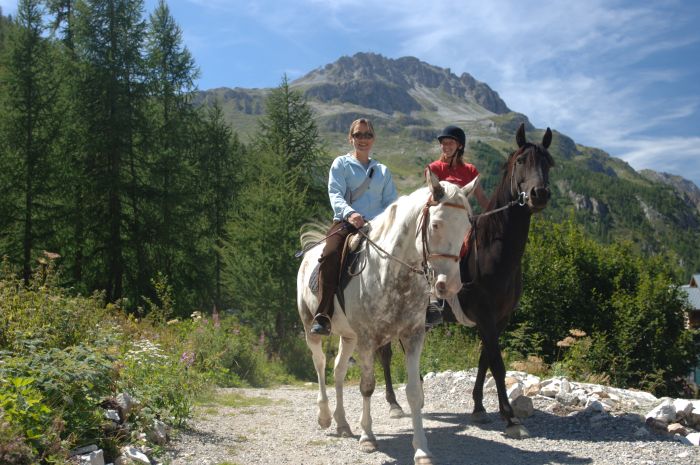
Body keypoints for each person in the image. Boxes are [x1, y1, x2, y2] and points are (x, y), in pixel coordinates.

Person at [310, 118, 398, 335]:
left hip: (378, 227)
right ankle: (324, 314)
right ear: (350, 138)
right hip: (346, 223)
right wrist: (350, 213)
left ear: (373, 139)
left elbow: (391, 203)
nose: (363, 139)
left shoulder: (383, 171)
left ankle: (414, 310)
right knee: (330, 254)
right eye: (358, 135)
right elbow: (335, 194)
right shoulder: (340, 164)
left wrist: (387, 222)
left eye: (367, 135)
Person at [424, 125, 489, 328]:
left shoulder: (470, 171)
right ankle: (430, 298)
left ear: (459, 146)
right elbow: (428, 198)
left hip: (462, 226)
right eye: (443, 143)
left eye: (450, 142)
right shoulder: (433, 168)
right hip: (440, 226)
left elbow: (482, 201)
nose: (446, 146)